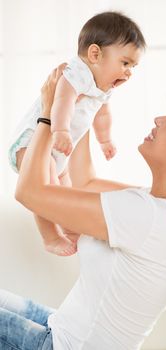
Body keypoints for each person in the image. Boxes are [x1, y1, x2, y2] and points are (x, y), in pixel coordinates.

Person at [1, 66, 166, 350]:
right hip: (62, 328)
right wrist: (87, 104)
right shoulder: (163, 211)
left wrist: (48, 114)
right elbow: (85, 182)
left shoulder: (147, 218)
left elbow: (29, 192)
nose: (158, 120)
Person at [8, 11, 146, 256]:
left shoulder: (103, 87)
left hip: (60, 148)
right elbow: (61, 101)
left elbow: (102, 115)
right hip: (33, 144)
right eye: (125, 63)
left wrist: (105, 140)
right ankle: (50, 236)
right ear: (95, 54)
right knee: (47, 183)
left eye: (133, 67)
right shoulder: (77, 73)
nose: (128, 73)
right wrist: (60, 130)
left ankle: (68, 227)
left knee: (65, 190)